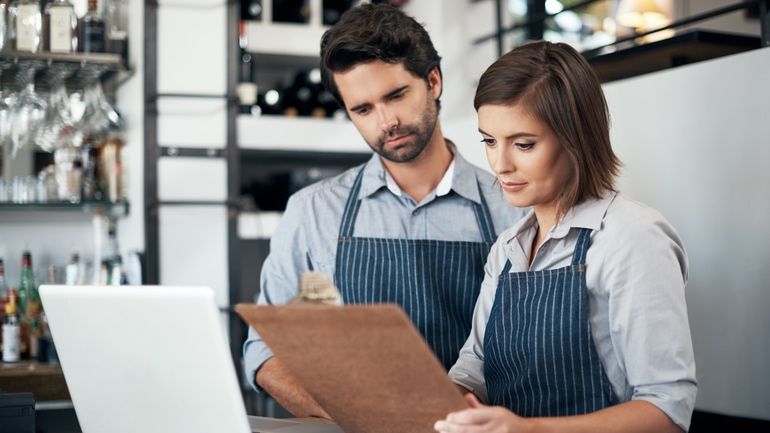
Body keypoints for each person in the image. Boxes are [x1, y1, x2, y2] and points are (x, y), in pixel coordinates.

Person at [243, 4, 526, 419]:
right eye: (363, 109)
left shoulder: (512, 207)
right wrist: (355, 416)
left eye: (396, 96)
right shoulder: (314, 211)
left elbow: (538, 350)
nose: (386, 121)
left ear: (433, 81)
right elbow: (266, 351)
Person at [435, 41, 697, 433]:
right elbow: (475, 369)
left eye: (524, 144)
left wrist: (530, 430)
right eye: (489, 141)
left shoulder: (632, 238)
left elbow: (668, 411)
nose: (500, 164)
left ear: (576, 139)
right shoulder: (507, 249)